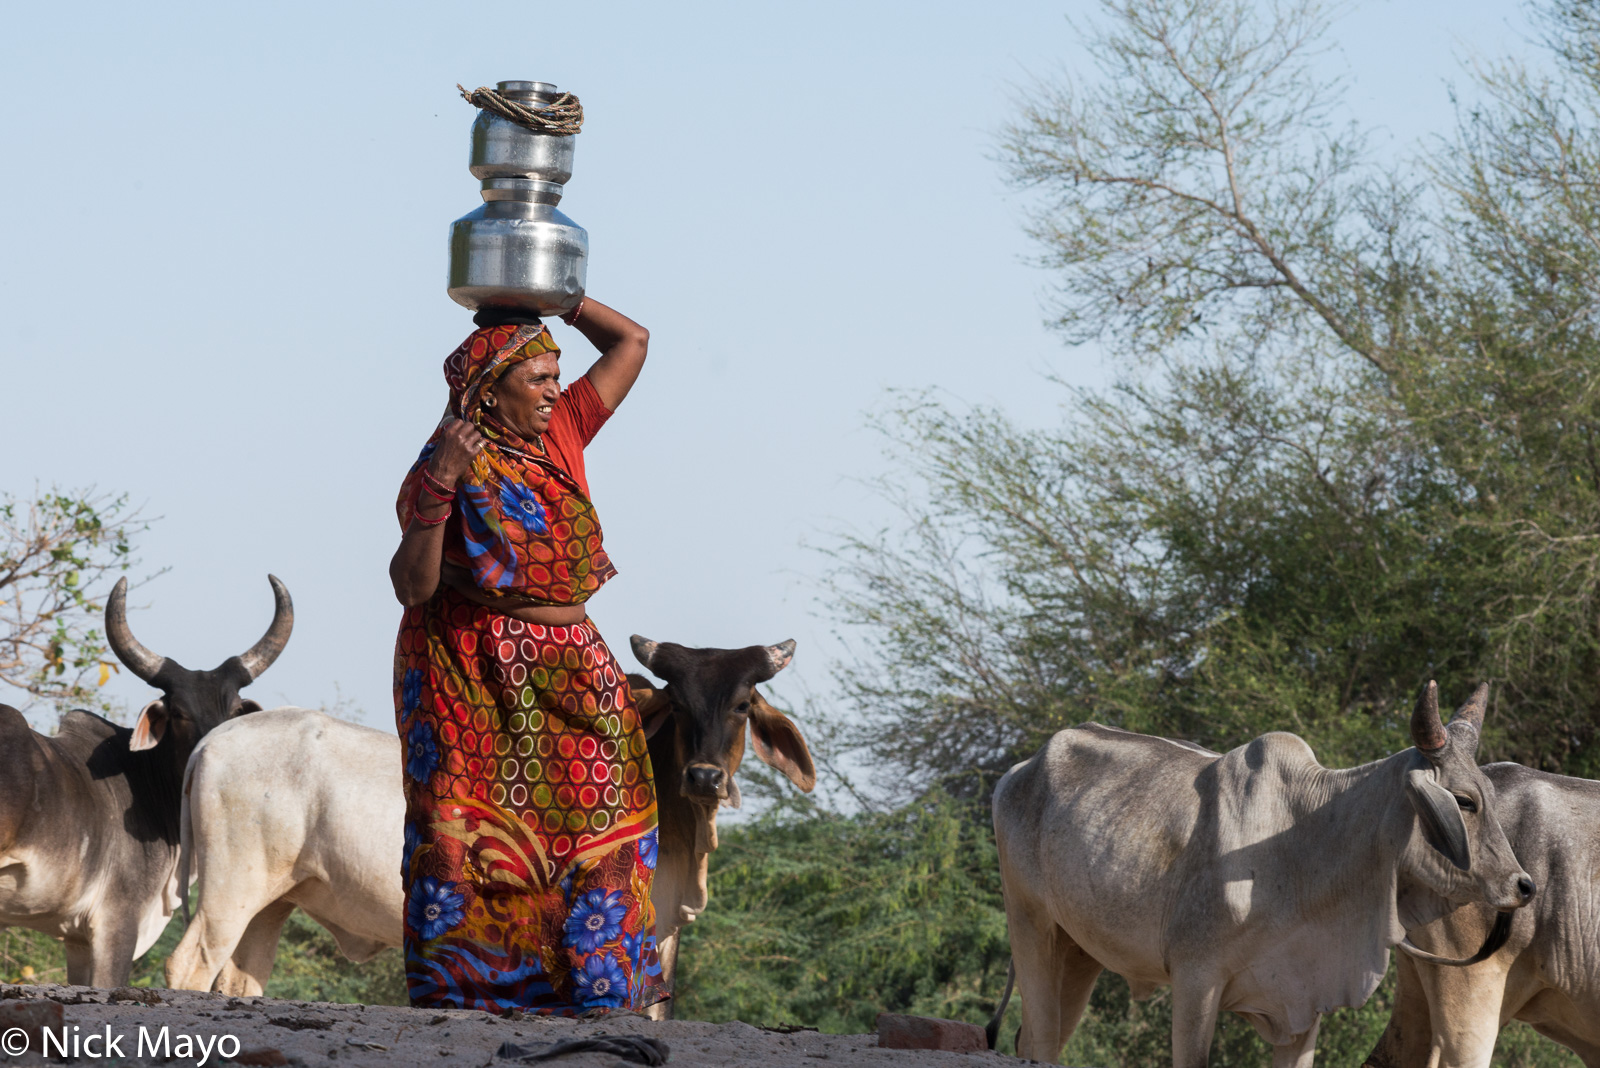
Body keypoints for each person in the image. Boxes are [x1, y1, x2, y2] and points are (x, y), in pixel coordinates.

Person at [388, 298, 665, 1014]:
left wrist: (564, 299)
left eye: (555, 376)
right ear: (490, 390)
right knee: (465, 837)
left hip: (574, 669)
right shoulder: (441, 464)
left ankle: (601, 994)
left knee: (607, 819)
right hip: (474, 673)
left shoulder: (561, 433)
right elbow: (411, 586)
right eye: (537, 378)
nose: (552, 391)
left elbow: (632, 339)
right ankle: (472, 999)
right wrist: (444, 480)